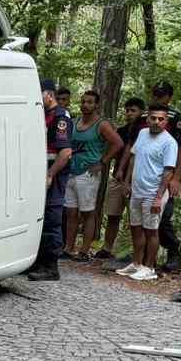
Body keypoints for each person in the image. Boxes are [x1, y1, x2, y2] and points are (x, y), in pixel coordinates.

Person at [117, 104, 178, 282]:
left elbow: (168, 171)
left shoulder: (169, 142)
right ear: (147, 119)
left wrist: (159, 197)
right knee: (136, 227)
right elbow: (134, 158)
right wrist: (127, 183)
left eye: (161, 119)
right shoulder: (142, 134)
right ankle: (136, 263)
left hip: (154, 192)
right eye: (153, 118)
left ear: (166, 121)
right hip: (137, 189)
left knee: (151, 230)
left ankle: (149, 267)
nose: (157, 122)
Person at [62, 89, 123, 260]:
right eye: (83, 101)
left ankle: (84, 251)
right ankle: (68, 248)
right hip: (71, 171)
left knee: (87, 212)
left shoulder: (101, 124)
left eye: (89, 102)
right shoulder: (74, 122)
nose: (85, 105)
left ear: (96, 105)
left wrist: (102, 162)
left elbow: (117, 143)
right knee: (71, 212)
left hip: (88, 172)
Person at [27, 79, 71, 281]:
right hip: (40, 172)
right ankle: (37, 261)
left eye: (40, 94)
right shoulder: (44, 114)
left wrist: (50, 174)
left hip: (53, 174)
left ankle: (51, 267)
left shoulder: (60, 117)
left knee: (52, 218)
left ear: (49, 95)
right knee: (40, 216)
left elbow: (65, 153)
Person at [148, 81, 181, 274]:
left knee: (163, 216)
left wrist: (177, 178)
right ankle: (143, 256)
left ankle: (174, 253)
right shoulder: (145, 116)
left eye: (162, 95)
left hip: (167, 175)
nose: (158, 98)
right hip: (146, 173)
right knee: (143, 216)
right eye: (156, 94)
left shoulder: (176, 119)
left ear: (169, 97)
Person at [99, 97, 144, 267]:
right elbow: (115, 149)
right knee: (113, 214)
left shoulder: (145, 132)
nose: (129, 113)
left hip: (136, 180)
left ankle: (135, 254)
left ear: (141, 112)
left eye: (133, 110)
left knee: (135, 219)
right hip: (118, 177)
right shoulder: (122, 131)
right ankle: (107, 247)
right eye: (127, 110)